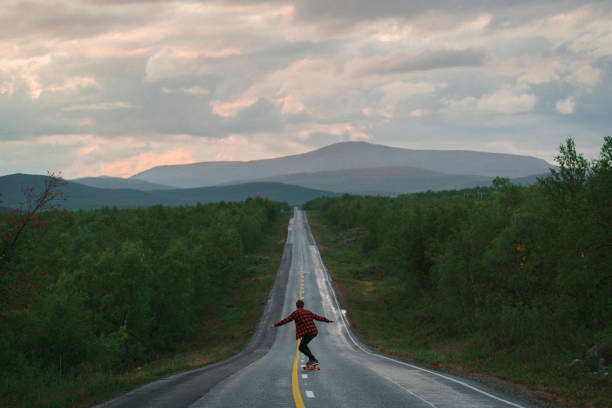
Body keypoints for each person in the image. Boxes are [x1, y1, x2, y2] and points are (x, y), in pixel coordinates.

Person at [269, 299, 333, 367]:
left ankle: (313, 359)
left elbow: (286, 320)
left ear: (296, 306)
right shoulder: (308, 312)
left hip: (308, 333)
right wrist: (327, 320)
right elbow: (318, 317)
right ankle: (312, 359)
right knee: (304, 345)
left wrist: (275, 325)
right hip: (314, 331)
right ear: (303, 305)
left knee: (301, 347)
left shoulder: (296, 313)